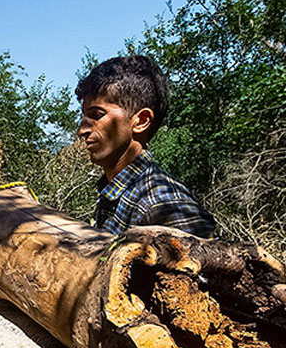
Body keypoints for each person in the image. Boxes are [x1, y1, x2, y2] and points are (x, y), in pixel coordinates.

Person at [75, 55, 215, 237]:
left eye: (97, 114)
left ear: (141, 121)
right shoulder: (116, 190)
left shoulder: (164, 206)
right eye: (84, 115)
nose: (82, 130)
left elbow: (204, 261)